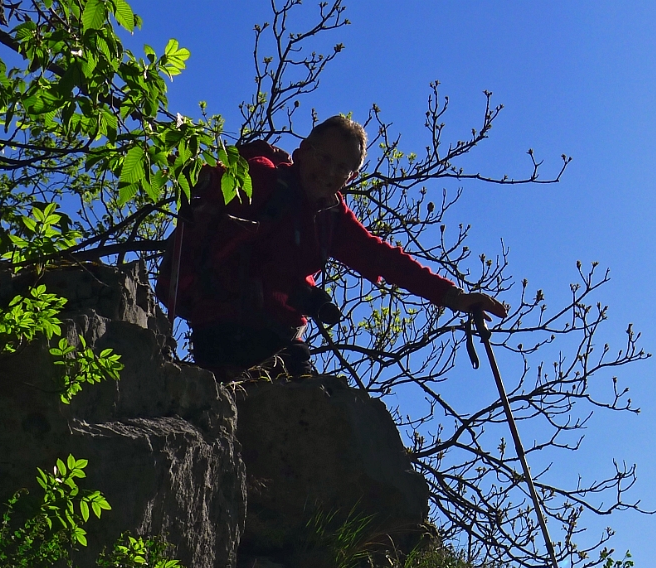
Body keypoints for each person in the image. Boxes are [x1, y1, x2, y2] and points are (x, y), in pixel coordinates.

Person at [158, 114, 508, 380]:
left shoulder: (332, 215)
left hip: (283, 338)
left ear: (351, 177)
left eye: (343, 168)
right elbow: (216, 179)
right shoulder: (266, 178)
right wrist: (190, 165)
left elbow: (383, 257)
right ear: (304, 151)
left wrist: (454, 297)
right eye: (325, 159)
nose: (330, 173)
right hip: (226, 324)